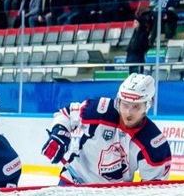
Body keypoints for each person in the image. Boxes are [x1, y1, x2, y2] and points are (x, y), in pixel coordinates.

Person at [41, 73, 171, 186]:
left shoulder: (154, 143)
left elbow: (152, 188)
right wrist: (59, 134)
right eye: (125, 105)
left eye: (136, 107)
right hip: (75, 180)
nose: (128, 113)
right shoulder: (99, 111)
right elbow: (67, 114)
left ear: (148, 105)